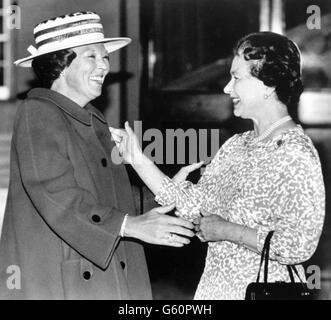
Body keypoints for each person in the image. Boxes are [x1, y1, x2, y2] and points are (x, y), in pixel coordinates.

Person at [109, 32, 325, 299]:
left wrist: (227, 230)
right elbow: (193, 206)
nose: (227, 88)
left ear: (268, 84)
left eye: (236, 78)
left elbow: (299, 245)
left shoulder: (295, 153)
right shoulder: (236, 145)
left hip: (264, 291)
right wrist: (138, 159)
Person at [0, 11, 195, 300]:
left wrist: (162, 191)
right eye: (91, 56)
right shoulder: (38, 112)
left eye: (105, 57)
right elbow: (55, 195)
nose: (104, 65)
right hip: (61, 279)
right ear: (60, 65)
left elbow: (112, 197)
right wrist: (129, 225)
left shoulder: (93, 119)